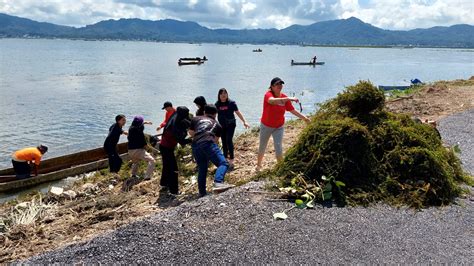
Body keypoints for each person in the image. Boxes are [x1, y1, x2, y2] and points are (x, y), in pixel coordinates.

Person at [256, 77, 310, 171]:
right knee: (262, 146)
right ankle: (259, 165)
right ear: (272, 86)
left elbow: (292, 110)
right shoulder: (268, 95)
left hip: (278, 127)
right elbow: (272, 101)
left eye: (281, 84)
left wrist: (304, 118)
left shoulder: (284, 97)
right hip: (266, 125)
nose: (279, 86)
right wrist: (289, 98)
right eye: (277, 84)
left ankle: (281, 168)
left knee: (278, 147)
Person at [189, 104, 234, 197]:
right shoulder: (217, 125)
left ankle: (202, 193)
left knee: (202, 168)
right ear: (215, 114)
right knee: (223, 163)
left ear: (205, 112)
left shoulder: (195, 119)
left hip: (195, 144)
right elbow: (216, 141)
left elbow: (191, 133)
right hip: (208, 142)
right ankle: (218, 182)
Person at [159, 106, 192, 195]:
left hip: (164, 146)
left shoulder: (176, 116)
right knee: (173, 169)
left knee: (166, 166)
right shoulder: (174, 126)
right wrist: (191, 140)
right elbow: (181, 141)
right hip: (167, 148)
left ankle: (164, 184)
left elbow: (187, 121)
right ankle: (174, 191)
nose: (187, 116)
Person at [215, 88, 250, 169]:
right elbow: (214, 115)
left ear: (227, 94)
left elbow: (238, 112)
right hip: (222, 125)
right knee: (223, 141)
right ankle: (225, 159)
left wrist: (244, 121)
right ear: (219, 95)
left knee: (228, 140)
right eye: (221, 93)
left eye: (225, 93)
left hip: (231, 124)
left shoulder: (231, 103)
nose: (223, 95)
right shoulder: (217, 104)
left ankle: (231, 159)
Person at [127, 115, 155, 180]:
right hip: (138, 150)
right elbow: (144, 145)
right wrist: (151, 150)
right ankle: (147, 177)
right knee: (152, 160)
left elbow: (140, 122)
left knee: (136, 162)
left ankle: (133, 175)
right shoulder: (140, 133)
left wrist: (146, 122)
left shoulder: (131, 128)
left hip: (130, 150)